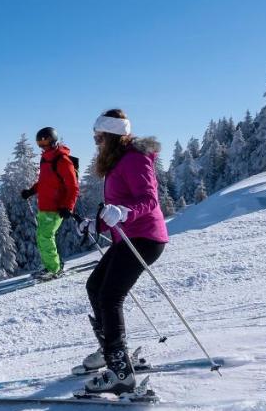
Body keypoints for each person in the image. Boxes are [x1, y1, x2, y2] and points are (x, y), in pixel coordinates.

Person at [74, 109, 168, 395]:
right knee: (95, 286)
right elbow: (117, 207)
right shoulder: (118, 161)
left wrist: (125, 213)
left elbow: (149, 200)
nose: (96, 142)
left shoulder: (135, 159)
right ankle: (110, 350)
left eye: (98, 137)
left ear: (111, 136)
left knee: (110, 296)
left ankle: (121, 372)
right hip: (127, 237)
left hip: (145, 238)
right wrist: (97, 223)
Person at [20, 126, 80, 280]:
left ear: (54, 141)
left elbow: (73, 187)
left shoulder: (63, 160)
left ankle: (53, 269)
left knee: (45, 237)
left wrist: (68, 206)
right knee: (41, 237)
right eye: (41, 145)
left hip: (56, 208)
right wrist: (31, 191)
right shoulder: (46, 159)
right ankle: (50, 265)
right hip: (44, 206)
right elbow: (44, 182)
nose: (44, 147)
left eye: (46, 144)